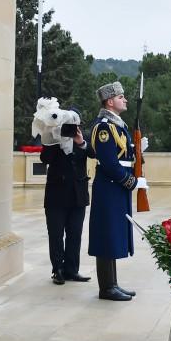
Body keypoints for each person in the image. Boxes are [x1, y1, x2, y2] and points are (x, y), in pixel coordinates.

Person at [88, 81, 147, 301]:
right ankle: (106, 288)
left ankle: (112, 284)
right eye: (121, 97)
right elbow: (109, 162)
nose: (125, 100)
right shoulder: (104, 127)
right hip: (110, 186)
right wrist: (130, 182)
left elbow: (124, 156)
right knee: (106, 235)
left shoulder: (117, 125)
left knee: (112, 234)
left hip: (116, 187)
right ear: (110, 102)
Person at [40, 108, 91, 285]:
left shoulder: (81, 136)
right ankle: (58, 270)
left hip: (78, 195)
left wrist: (81, 142)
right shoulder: (53, 136)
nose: (72, 128)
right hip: (56, 195)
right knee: (55, 234)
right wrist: (53, 138)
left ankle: (72, 270)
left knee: (75, 234)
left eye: (75, 124)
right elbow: (44, 159)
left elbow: (93, 153)